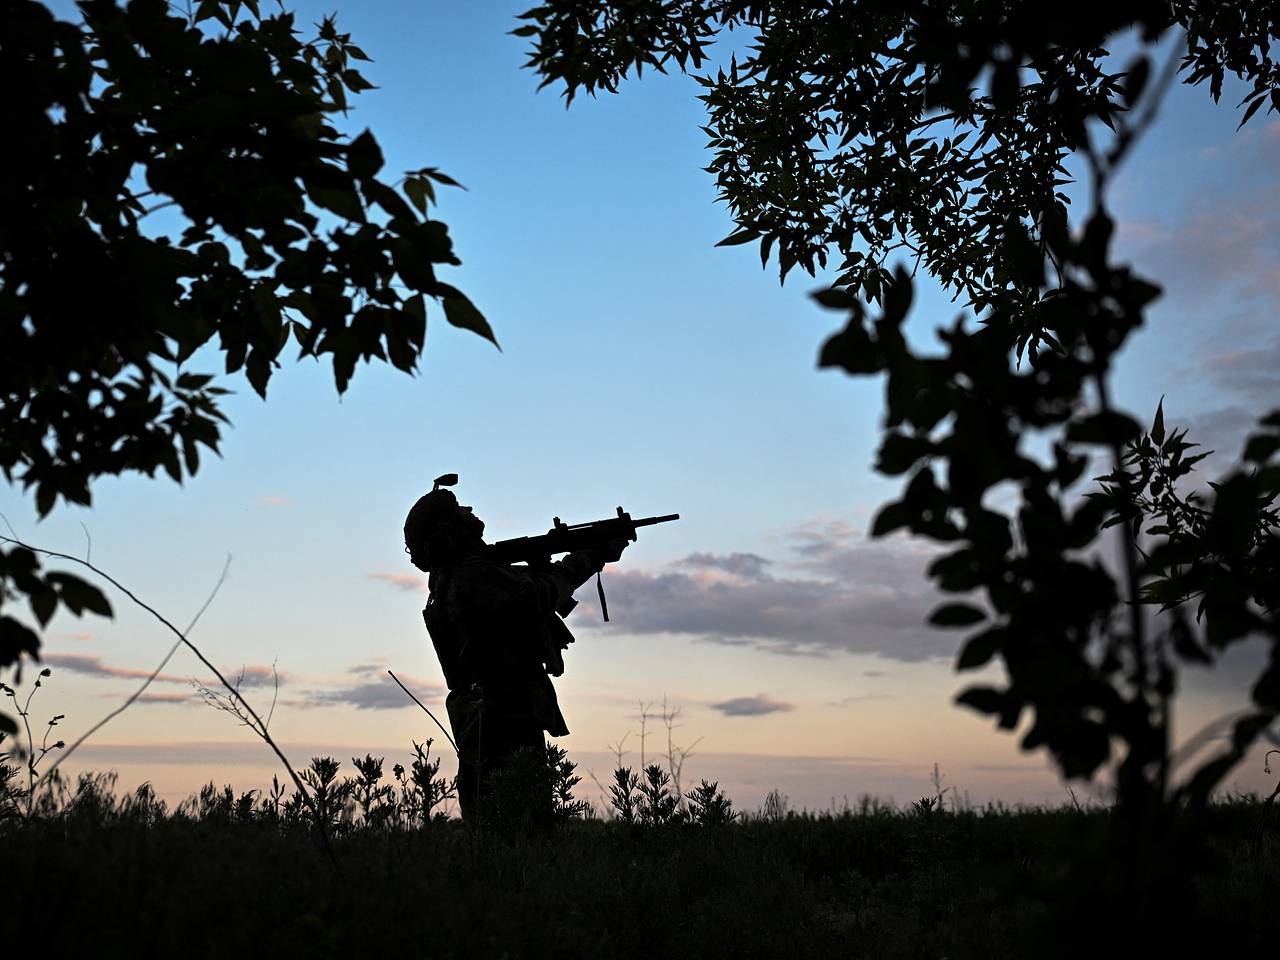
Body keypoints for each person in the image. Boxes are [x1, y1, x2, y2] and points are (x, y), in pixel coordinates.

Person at [403, 477, 627, 821]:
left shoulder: (457, 576)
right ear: (449, 529)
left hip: (489, 713)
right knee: (521, 824)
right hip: (501, 715)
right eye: (459, 511)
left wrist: (545, 561)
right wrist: (588, 558)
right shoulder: (472, 577)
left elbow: (521, 592)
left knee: (500, 826)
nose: (470, 512)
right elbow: (536, 596)